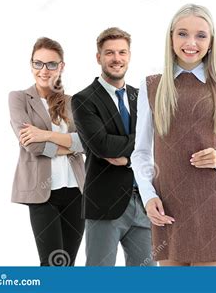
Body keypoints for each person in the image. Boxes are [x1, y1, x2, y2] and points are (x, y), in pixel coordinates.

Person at [131, 4, 216, 266]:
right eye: (182, 33)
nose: (191, 42)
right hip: (167, 206)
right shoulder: (152, 85)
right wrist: (148, 196)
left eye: (201, 35)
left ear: (211, 41)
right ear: (171, 37)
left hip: (211, 205)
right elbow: (141, 152)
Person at [71, 27, 153, 266]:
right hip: (105, 206)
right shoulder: (84, 99)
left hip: (145, 203)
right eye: (109, 53)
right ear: (99, 57)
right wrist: (140, 144)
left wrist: (128, 158)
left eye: (122, 52)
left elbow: (158, 143)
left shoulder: (143, 97)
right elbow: (103, 146)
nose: (117, 59)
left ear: (129, 56)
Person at [8, 37, 85, 266]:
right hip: (43, 194)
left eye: (52, 64)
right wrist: (69, 146)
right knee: (52, 265)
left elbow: (88, 144)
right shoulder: (19, 98)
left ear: (61, 67)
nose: (44, 70)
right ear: (31, 64)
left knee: (68, 264)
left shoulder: (73, 102)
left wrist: (46, 134)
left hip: (76, 191)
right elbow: (31, 146)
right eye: (38, 63)